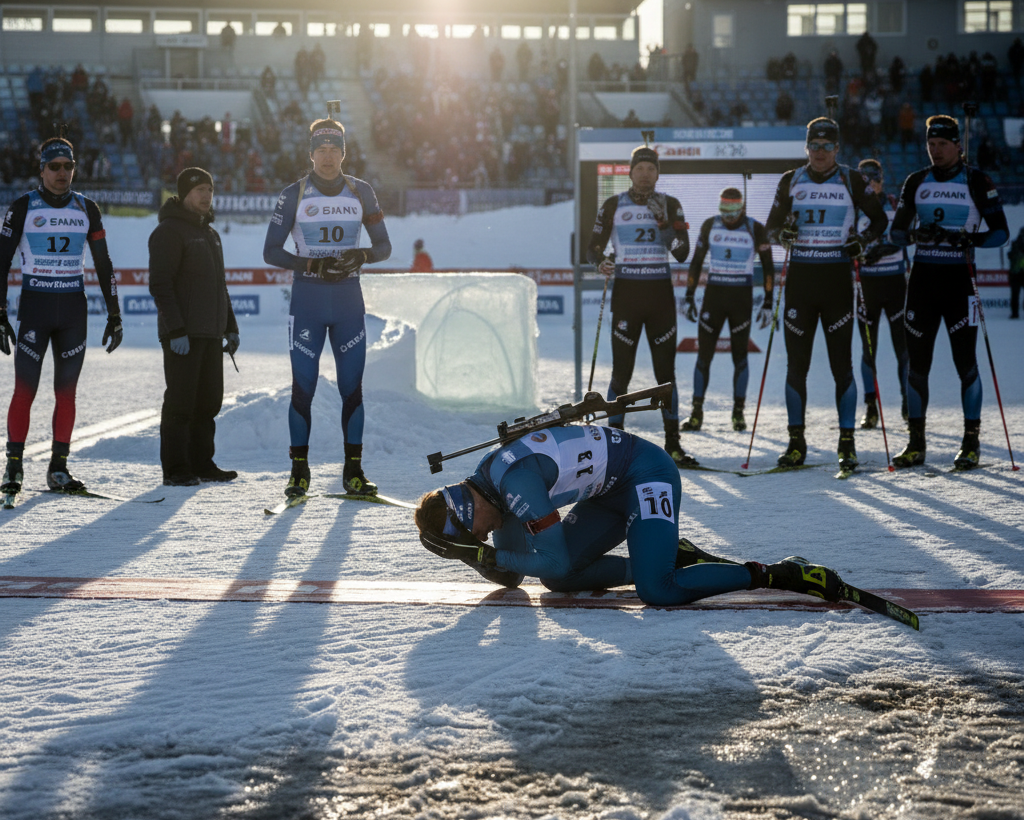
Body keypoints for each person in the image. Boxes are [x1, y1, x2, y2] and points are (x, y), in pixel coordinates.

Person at [414, 423, 843, 607]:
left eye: (474, 535)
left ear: (467, 511)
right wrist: (468, 555)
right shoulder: (489, 489)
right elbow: (513, 576)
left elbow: (548, 557)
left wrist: (485, 556)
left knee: (659, 590)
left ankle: (778, 573)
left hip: (646, 473)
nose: (484, 538)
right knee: (558, 582)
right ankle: (663, 551)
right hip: (611, 490)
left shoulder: (515, 485)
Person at [263, 117, 392, 498]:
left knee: (353, 391)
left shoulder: (362, 191)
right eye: (321, 149)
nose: (328, 157)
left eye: (335, 149)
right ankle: (298, 473)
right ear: (310, 153)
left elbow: (384, 247)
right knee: (302, 390)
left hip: (349, 302)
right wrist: (311, 264)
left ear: (344, 152)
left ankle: (353, 471)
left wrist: (362, 255)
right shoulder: (294, 194)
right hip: (308, 302)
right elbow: (271, 251)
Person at [0, 136, 122, 498]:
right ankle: (14, 467)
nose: (62, 173)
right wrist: (0, 311)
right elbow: (1, 261)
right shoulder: (23, 207)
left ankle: (58, 467)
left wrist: (114, 314)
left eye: (68, 166)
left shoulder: (88, 208)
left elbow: (103, 263)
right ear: (42, 170)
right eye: (54, 166)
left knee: (65, 393)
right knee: (25, 390)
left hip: (72, 312)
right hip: (35, 310)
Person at [765, 118, 887, 470]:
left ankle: (846, 443)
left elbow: (879, 221)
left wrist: (860, 242)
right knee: (796, 367)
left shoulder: (851, 178)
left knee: (842, 367)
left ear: (837, 149)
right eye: (814, 146)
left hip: (836, 282)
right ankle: (796, 443)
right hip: (801, 283)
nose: (820, 152)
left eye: (827, 146)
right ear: (806, 148)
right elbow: (772, 226)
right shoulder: (792, 180)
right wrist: (782, 235)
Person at [889, 115, 1009, 469]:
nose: (936, 151)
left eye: (942, 144)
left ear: (958, 145)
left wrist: (966, 238)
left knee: (966, 363)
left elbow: (1000, 232)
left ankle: (970, 443)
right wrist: (914, 236)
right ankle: (916, 444)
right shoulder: (916, 181)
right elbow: (896, 233)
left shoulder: (976, 180)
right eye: (930, 144)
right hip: (923, 282)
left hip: (960, 283)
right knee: (916, 366)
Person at [586, 145, 694, 467]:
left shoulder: (671, 205)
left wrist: (663, 224)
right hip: (627, 297)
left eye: (651, 168)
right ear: (630, 172)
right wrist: (600, 262)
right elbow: (592, 248)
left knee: (666, 376)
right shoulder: (613, 205)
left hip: (660, 298)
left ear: (658, 173)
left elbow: (681, 252)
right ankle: (613, 445)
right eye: (640, 168)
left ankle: (673, 444)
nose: (645, 174)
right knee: (621, 374)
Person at [148, 167, 239, 486]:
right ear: (184, 194)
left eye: (210, 190)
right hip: (183, 335)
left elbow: (220, 285)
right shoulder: (169, 231)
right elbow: (160, 284)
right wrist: (175, 331)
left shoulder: (210, 234)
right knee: (181, 402)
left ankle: (202, 462)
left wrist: (230, 326)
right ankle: (175, 468)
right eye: (199, 190)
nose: (206, 196)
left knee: (209, 401)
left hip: (210, 332)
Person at [681, 187, 775, 433]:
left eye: (733, 211)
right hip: (714, 298)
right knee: (704, 356)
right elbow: (696, 262)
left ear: (742, 208)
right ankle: (696, 413)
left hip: (740, 301)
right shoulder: (710, 225)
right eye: (724, 211)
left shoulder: (755, 228)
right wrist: (689, 296)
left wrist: (768, 301)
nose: (728, 217)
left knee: (740, 357)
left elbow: (768, 266)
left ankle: (738, 413)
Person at [853, 159, 909, 428]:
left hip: (895, 285)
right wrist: (864, 254)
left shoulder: (895, 204)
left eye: (875, 178)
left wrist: (883, 250)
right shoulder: (854, 208)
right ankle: (871, 406)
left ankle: (908, 401)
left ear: (882, 179)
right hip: (867, 288)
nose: (871, 183)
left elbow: (904, 237)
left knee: (904, 350)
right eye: (865, 179)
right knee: (868, 351)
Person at [1007, 226, 1024, 319]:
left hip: (1015, 273)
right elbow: (1010, 256)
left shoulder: (1015, 243)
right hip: (1016, 272)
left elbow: (1010, 256)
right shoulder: (1015, 244)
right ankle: (1015, 313)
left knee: (1014, 295)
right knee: (1015, 295)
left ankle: (1015, 313)